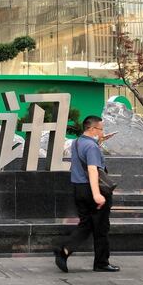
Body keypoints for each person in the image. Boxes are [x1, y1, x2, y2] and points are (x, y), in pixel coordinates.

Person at [54, 115, 120, 273]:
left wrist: (101, 141)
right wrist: (97, 194)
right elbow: (92, 169)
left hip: (78, 189)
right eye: (101, 129)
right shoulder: (92, 147)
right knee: (101, 227)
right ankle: (101, 263)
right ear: (92, 129)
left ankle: (64, 250)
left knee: (86, 224)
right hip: (92, 190)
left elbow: (84, 157)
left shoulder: (77, 142)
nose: (102, 132)